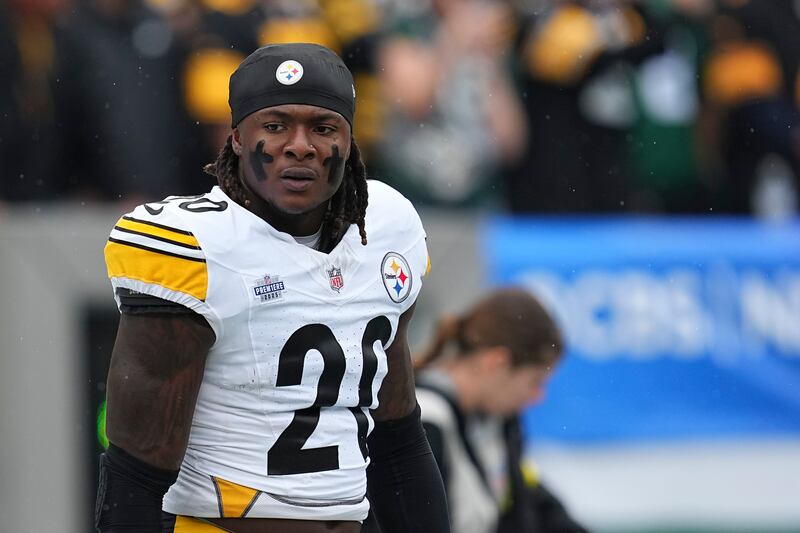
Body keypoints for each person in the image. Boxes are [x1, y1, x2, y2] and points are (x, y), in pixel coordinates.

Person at [96, 42, 450, 533]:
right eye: (276, 125)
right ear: (238, 137)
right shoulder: (196, 245)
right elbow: (136, 470)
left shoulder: (387, 225)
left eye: (323, 128)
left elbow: (397, 436)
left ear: (350, 141)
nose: (300, 145)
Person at [368, 287, 588, 533]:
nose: (539, 397)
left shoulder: (498, 422)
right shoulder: (422, 424)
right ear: (498, 363)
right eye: (535, 381)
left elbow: (531, 506)